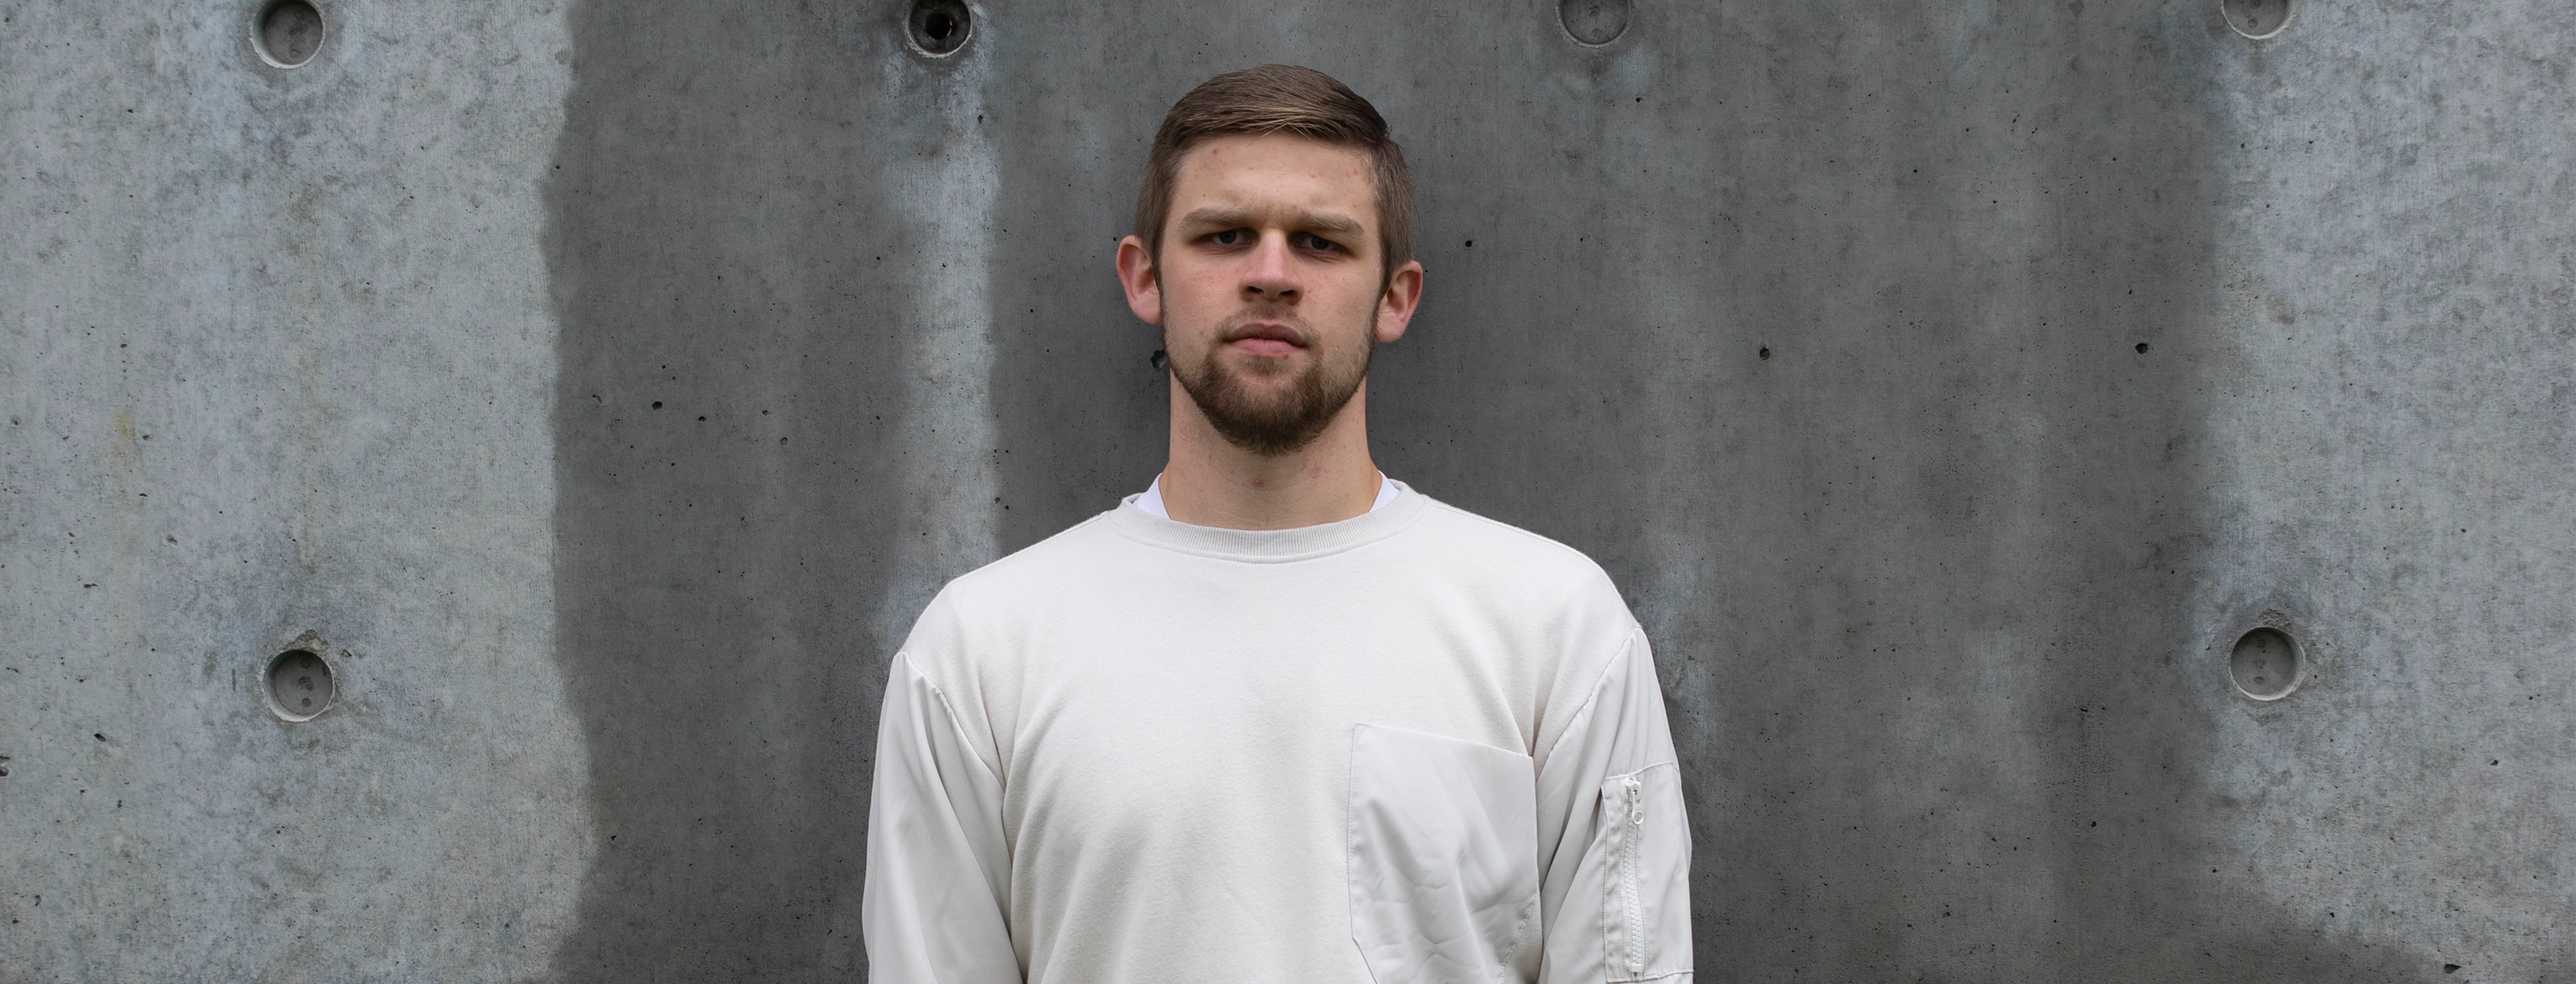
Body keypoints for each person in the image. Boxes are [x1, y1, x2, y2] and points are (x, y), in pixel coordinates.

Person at [862, 64, 1692, 983]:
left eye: (1321, 244)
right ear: (1144, 277)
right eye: (1224, 236)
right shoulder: (981, 652)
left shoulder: (1553, 628)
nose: (1270, 275)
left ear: (1395, 297)